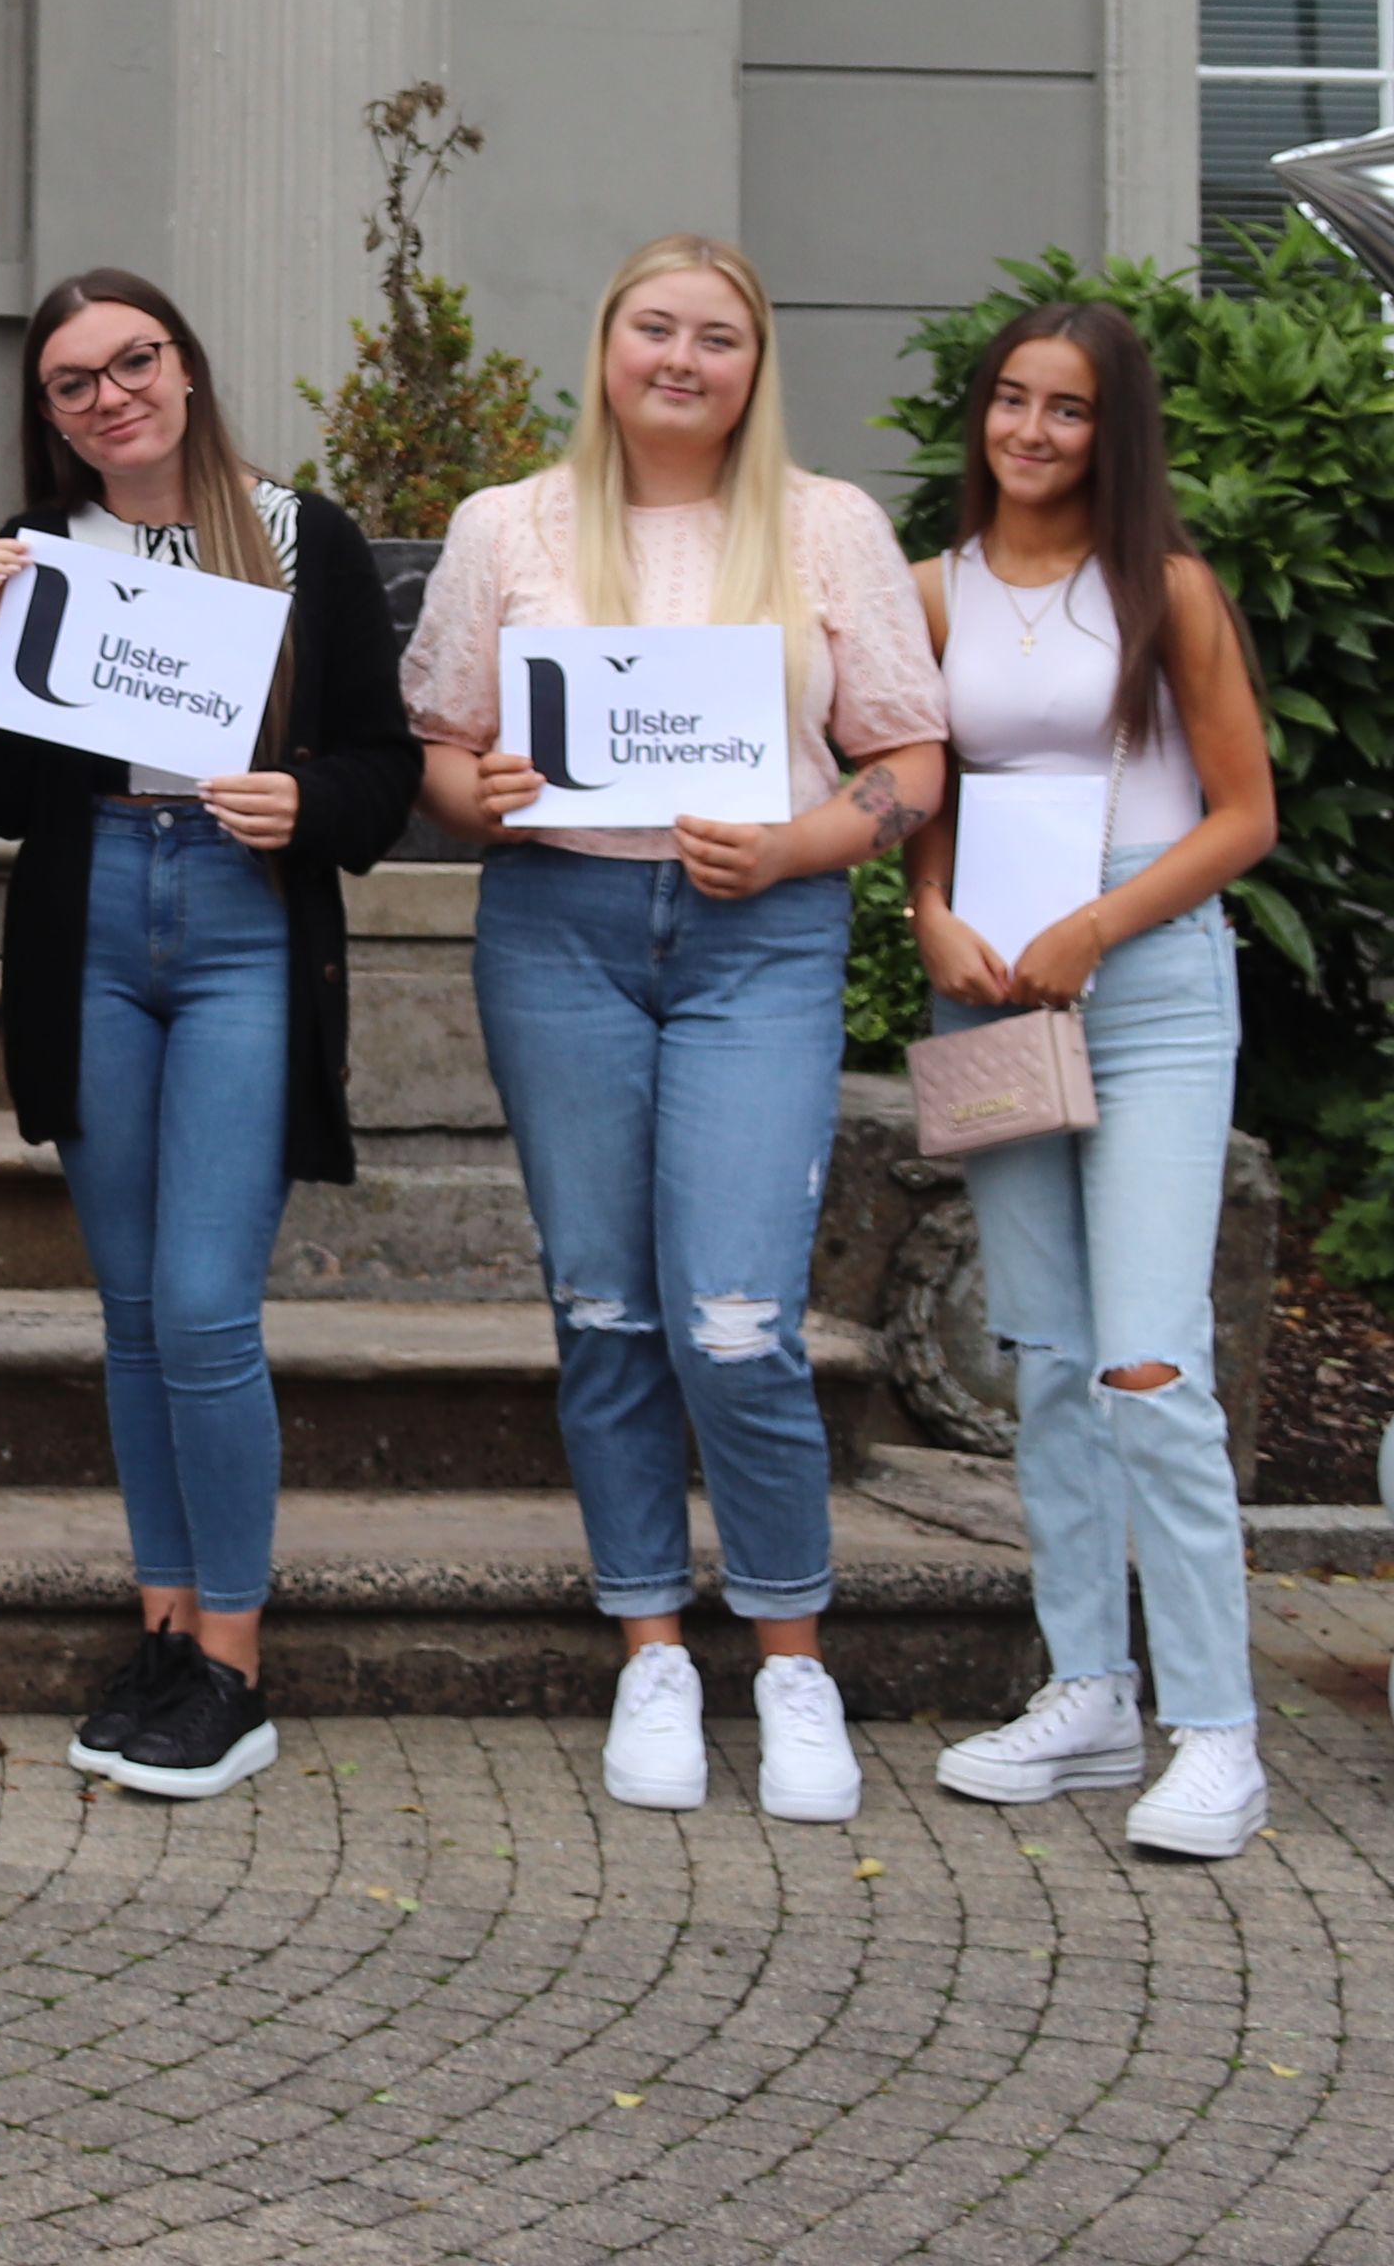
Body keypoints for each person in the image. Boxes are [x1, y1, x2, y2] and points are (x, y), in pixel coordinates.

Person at [404, 234, 949, 1825]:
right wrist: (482, 795)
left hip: (757, 938)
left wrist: (797, 843)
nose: (683, 359)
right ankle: (649, 1642)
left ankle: (791, 1659)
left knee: (735, 1318)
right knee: (608, 1312)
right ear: (607, 345)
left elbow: (910, 762)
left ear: (754, 367)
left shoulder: (830, 525)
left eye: (719, 336)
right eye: (656, 327)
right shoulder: (508, 526)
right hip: (562, 931)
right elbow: (441, 746)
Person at [0, 272, 406, 1802]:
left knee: (208, 1307)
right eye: (74, 384)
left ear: (188, 369)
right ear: (52, 417)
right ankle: (162, 1622)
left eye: (132, 362)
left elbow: (384, 775)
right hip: (95, 919)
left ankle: (233, 1660)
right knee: (136, 1309)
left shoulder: (299, 538)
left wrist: (308, 803)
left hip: (237, 921)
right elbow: (5, 804)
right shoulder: (42, 560)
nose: (110, 396)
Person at [904, 302, 1284, 1862]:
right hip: (988, 975)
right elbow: (926, 791)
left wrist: (1099, 925)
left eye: (1068, 411)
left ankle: (1218, 1733)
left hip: (1149, 981)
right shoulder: (932, 593)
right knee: (1046, 1355)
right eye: (1012, 402)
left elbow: (1245, 813)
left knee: (1148, 1366)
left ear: (1111, 432)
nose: (1034, 434)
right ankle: (1088, 1692)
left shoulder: (1168, 591)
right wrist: (931, 912)